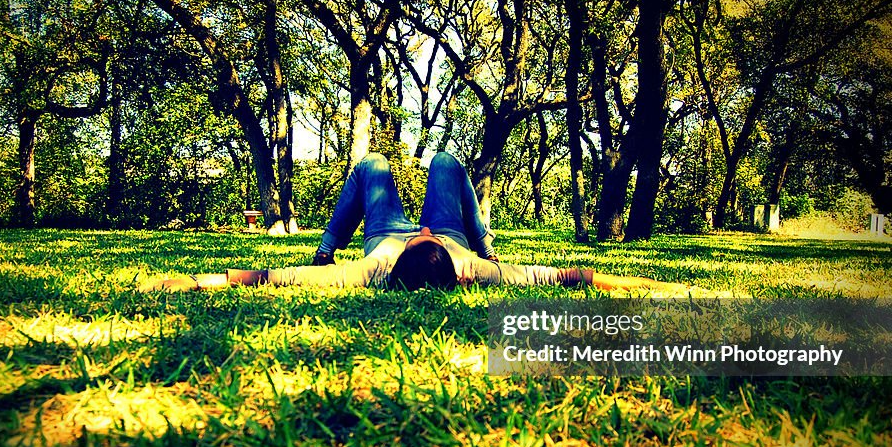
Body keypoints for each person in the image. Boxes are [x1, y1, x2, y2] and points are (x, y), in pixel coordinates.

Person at [145, 152, 688, 293]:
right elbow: (576, 277)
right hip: (463, 241)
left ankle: (327, 243)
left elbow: (272, 278)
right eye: (427, 237)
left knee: (372, 166)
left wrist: (194, 281)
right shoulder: (471, 268)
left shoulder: (376, 265)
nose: (422, 231)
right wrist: (657, 284)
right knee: (449, 163)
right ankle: (488, 238)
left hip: (380, 234)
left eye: (421, 238)